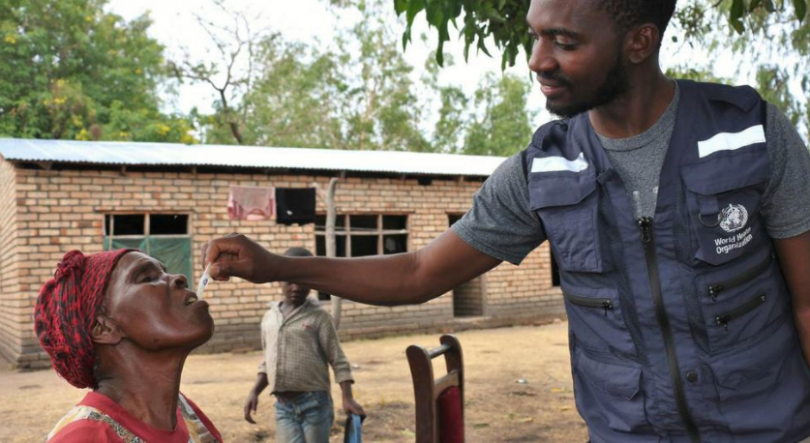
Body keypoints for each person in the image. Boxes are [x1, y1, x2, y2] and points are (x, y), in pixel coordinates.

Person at [202, 0, 810, 441]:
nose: (537, 60)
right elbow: (418, 272)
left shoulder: (749, 134)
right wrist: (276, 265)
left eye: (565, 42)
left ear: (639, 42)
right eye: (535, 35)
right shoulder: (541, 172)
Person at [35, 249, 222, 442]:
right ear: (104, 328)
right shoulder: (84, 437)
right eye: (148, 278)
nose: (180, 278)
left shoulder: (183, 412)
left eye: (165, 272)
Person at [242, 247, 365, 442]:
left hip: (314, 404)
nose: (296, 288)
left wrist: (347, 397)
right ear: (279, 279)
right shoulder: (270, 318)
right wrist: (254, 392)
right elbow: (268, 361)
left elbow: (338, 359)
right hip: (283, 406)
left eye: (303, 282)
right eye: (290, 281)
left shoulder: (319, 317)